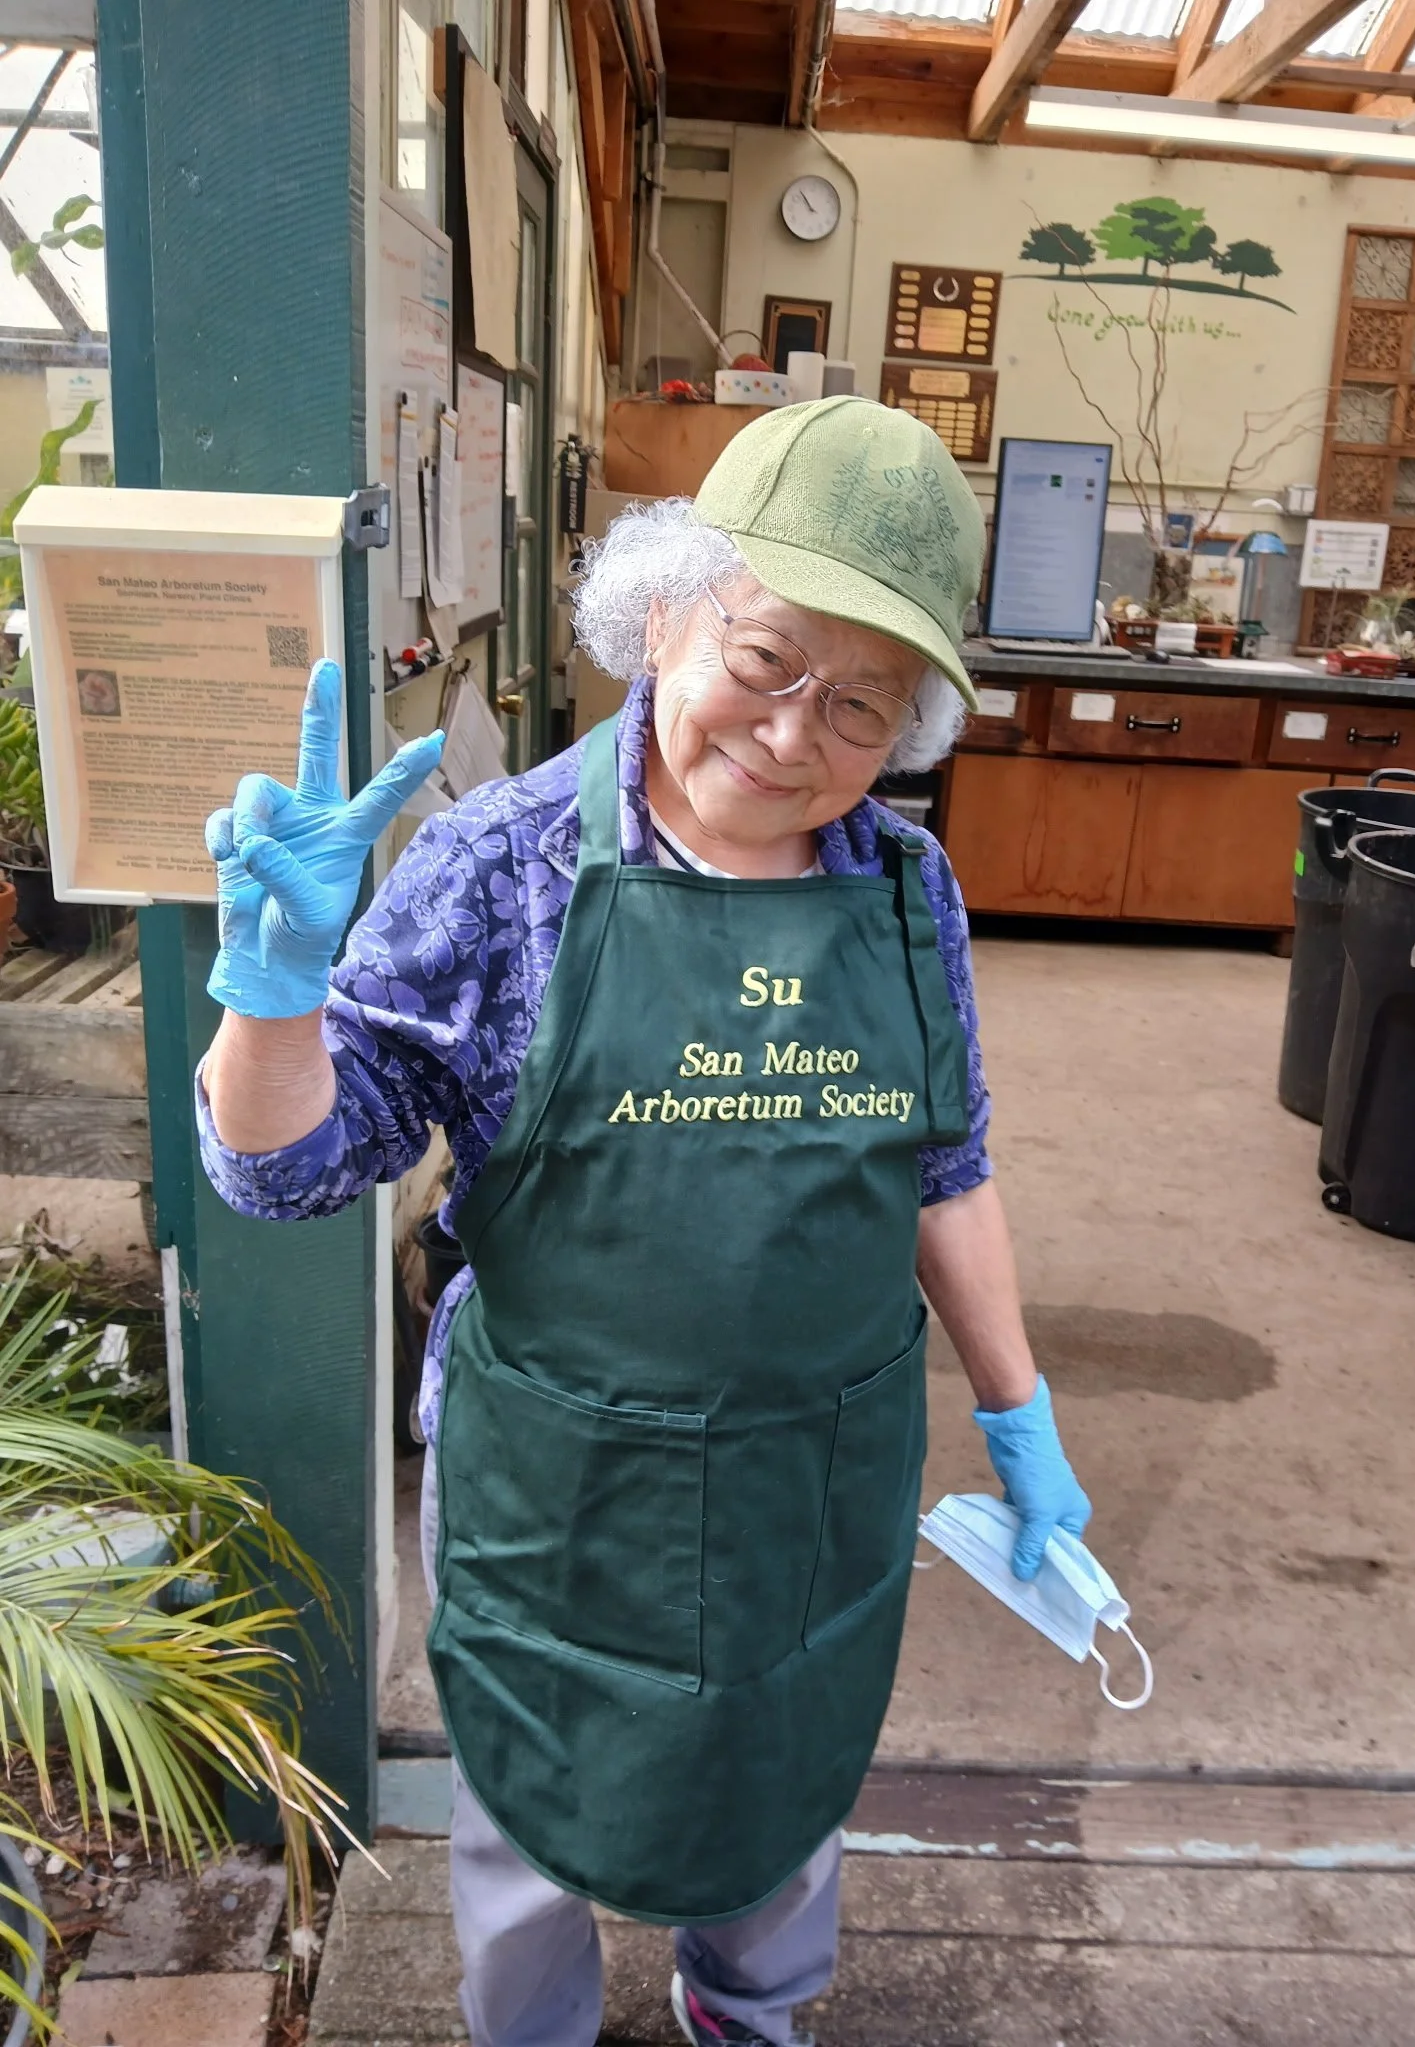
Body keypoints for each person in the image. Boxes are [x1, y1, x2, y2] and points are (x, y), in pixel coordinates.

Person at [198, 397, 1092, 2047]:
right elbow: (292, 1169)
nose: (793, 732)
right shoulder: (502, 866)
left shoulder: (904, 886)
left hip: (808, 1473)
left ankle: (750, 2015)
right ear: (666, 605)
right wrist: (271, 1002)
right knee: (538, 1803)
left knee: (783, 1772)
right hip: (562, 1479)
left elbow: (943, 1163)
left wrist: (1019, 1413)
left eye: (862, 703)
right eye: (765, 658)